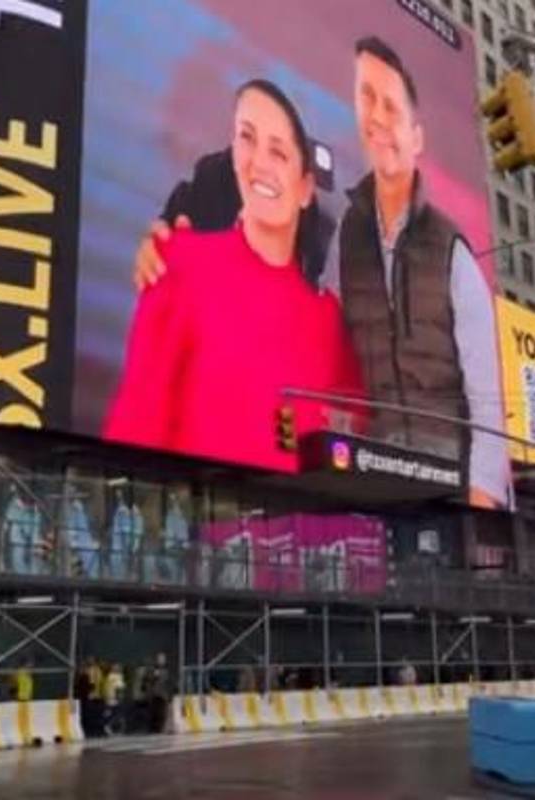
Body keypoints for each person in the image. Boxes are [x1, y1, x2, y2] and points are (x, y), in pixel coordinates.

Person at [132, 41, 510, 508]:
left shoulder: (453, 249)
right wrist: (167, 240)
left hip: (452, 489)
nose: (376, 117)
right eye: (366, 99)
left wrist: (482, 503)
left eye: (390, 106)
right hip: (379, 490)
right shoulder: (344, 236)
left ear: (417, 137)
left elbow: (488, 400)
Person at [104, 79, 365, 472]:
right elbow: (137, 422)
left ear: (306, 187)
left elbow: (354, 441)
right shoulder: (180, 259)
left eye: (278, 152)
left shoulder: (330, 318)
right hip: (190, 520)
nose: (259, 163)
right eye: (247, 138)